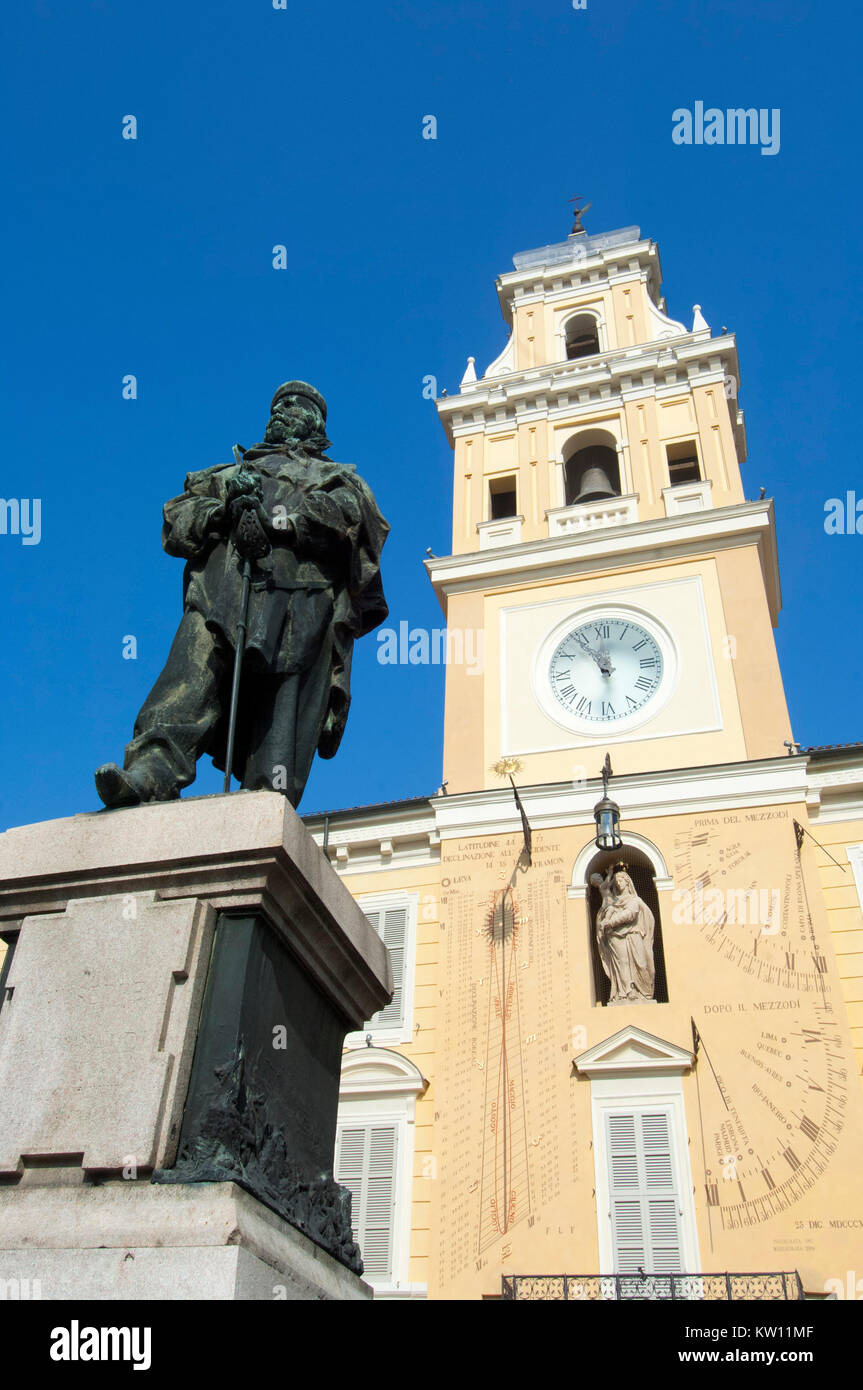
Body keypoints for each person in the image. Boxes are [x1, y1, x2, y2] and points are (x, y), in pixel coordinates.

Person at [95, 381, 389, 809]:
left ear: (316, 423)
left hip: (302, 604)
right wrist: (222, 511)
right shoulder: (232, 473)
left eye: (296, 404)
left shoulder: (339, 478)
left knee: (279, 725)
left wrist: (277, 519)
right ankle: (152, 770)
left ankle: (267, 802)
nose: (283, 409)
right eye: (278, 404)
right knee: (189, 676)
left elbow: (350, 523)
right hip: (225, 591)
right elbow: (178, 518)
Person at [590, 863, 656, 1003]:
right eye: (617, 881)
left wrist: (610, 922)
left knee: (642, 963)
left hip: (633, 934)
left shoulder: (635, 900)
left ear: (628, 882)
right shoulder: (614, 901)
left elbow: (630, 914)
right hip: (615, 936)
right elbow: (607, 911)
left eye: (621, 881)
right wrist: (606, 921)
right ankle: (627, 991)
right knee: (622, 963)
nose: (619, 884)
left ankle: (644, 992)